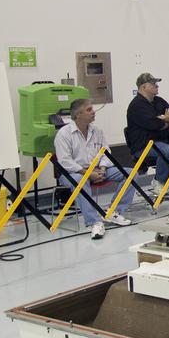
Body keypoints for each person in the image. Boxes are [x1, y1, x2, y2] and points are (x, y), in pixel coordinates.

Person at [55, 98, 132, 240]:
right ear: (78, 115)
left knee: (129, 174)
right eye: (89, 110)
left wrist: (102, 168)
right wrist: (88, 174)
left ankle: (113, 211)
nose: (93, 112)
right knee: (80, 181)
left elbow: (105, 152)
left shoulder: (97, 131)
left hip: (97, 169)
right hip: (74, 173)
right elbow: (65, 161)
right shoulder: (64, 134)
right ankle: (94, 221)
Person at [125, 73, 169, 197]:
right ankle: (159, 181)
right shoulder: (137, 105)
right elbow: (155, 125)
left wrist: (164, 118)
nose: (157, 86)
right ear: (144, 87)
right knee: (167, 151)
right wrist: (166, 120)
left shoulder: (159, 101)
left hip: (164, 140)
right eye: (153, 84)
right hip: (143, 146)